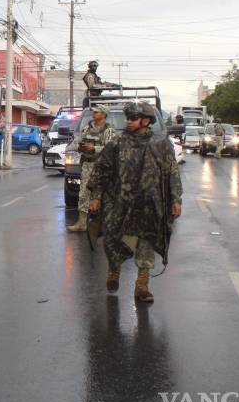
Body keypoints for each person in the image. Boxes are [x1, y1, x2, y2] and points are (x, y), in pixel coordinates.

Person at [87, 101, 182, 304]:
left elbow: (172, 171)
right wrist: (95, 196)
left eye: (133, 118)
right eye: (127, 118)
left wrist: (176, 199)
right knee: (113, 238)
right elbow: (102, 168)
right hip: (119, 201)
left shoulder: (160, 144)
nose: (128, 122)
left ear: (146, 121)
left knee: (146, 242)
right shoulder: (118, 141)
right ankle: (114, 269)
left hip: (149, 203)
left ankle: (142, 286)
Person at [66, 103, 117, 233]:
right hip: (87, 165)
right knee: (84, 193)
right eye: (94, 112)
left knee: (102, 195)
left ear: (104, 114)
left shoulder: (109, 131)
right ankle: (82, 222)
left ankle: (103, 224)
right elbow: (77, 142)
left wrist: (94, 148)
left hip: (101, 166)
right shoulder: (87, 128)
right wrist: (80, 147)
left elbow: (110, 148)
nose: (94, 113)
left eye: (97, 112)